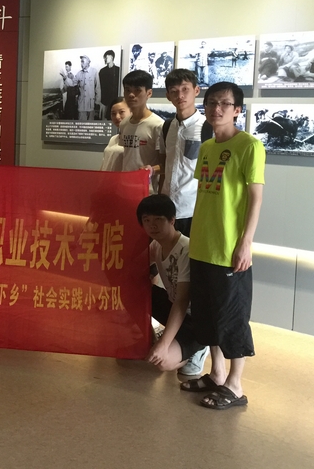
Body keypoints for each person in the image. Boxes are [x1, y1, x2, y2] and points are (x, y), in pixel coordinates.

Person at [181, 81, 265, 411]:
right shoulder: (206, 147)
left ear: (237, 110)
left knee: (231, 318)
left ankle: (235, 384)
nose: (216, 109)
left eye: (224, 104)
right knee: (207, 317)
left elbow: (255, 198)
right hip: (203, 244)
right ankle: (217, 374)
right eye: (211, 102)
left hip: (229, 249)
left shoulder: (250, 146)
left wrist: (246, 243)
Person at [137, 195, 206, 375]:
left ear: (172, 220)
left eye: (158, 219)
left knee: (163, 362)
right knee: (134, 290)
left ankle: (200, 347)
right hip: (173, 307)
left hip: (196, 319)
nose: (152, 225)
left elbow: (182, 301)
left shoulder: (186, 249)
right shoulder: (157, 246)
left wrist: (164, 344)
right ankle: (155, 337)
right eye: (147, 220)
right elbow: (133, 268)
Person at [157, 69, 208, 237]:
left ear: (196, 90)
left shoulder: (207, 127)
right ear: (168, 96)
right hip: (166, 209)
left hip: (193, 209)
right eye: (174, 91)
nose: (180, 95)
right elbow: (164, 165)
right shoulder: (166, 127)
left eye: (185, 89)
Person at [119, 70, 163, 191]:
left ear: (149, 93)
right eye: (127, 90)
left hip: (147, 189)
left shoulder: (157, 125)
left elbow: (164, 164)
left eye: (137, 90)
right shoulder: (124, 124)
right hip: (125, 186)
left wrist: (151, 170)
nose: (131, 95)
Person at [99, 97, 129, 171]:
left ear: (132, 112)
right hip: (107, 177)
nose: (117, 117)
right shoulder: (113, 138)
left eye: (121, 112)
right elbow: (105, 164)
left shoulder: (135, 139)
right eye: (113, 113)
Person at [73, 55, 101, 121]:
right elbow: (72, 83)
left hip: (91, 104)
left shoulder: (94, 72)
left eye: (82, 61)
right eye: (81, 62)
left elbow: (97, 87)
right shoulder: (79, 73)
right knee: (81, 124)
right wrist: (66, 78)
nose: (81, 64)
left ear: (88, 62)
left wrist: (97, 102)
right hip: (81, 104)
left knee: (90, 124)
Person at [98, 50, 120, 120]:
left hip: (115, 100)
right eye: (104, 58)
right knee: (104, 121)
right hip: (104, 101)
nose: (105, 59)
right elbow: (99, 87)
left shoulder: (118, 70)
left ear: (112, 57)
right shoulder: (102, 71)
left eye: (106, 57)